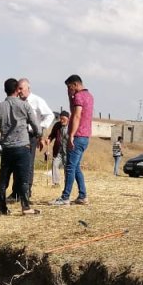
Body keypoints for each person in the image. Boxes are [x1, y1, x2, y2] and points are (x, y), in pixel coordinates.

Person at [0, 77, 41, 215]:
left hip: (7, 149)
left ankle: (2, 208)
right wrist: (38, 134)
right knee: (23, 178)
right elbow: (36, 126)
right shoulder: (25, 106)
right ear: (17, 90)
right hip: (23, 147)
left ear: (5, 90)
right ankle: (26, 207)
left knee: (3, 180)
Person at [51, 74, 92, 206]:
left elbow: (76, 116)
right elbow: (73, 110)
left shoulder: (79, 96)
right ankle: (82, 195)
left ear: (75, 84)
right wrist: (70, 97)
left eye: (70, 87)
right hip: (85, 136)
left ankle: (65, 197)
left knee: (69, 167)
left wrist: (71, 135)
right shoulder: (89, 96)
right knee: (76, 167)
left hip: (78, 136)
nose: (69, 90)